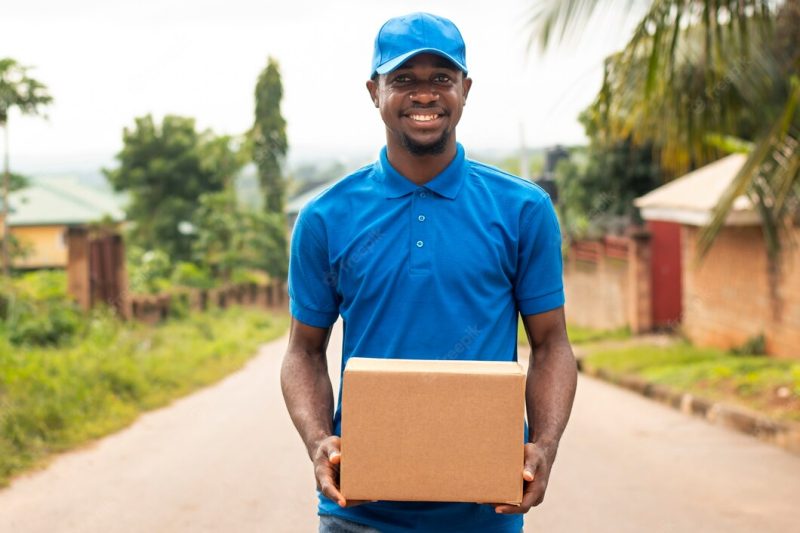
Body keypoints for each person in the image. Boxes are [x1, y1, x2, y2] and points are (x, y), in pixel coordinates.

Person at [281, 12, 577, 533]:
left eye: (441, 78)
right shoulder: (327, 217)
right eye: (403, 80)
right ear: (374, 91)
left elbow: (551, 343)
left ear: (466, 88)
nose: (424, 95)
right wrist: (318, 440)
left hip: (485, 511)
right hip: (359, 512)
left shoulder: (522, 209)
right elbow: (303, 350)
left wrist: (544, 446)